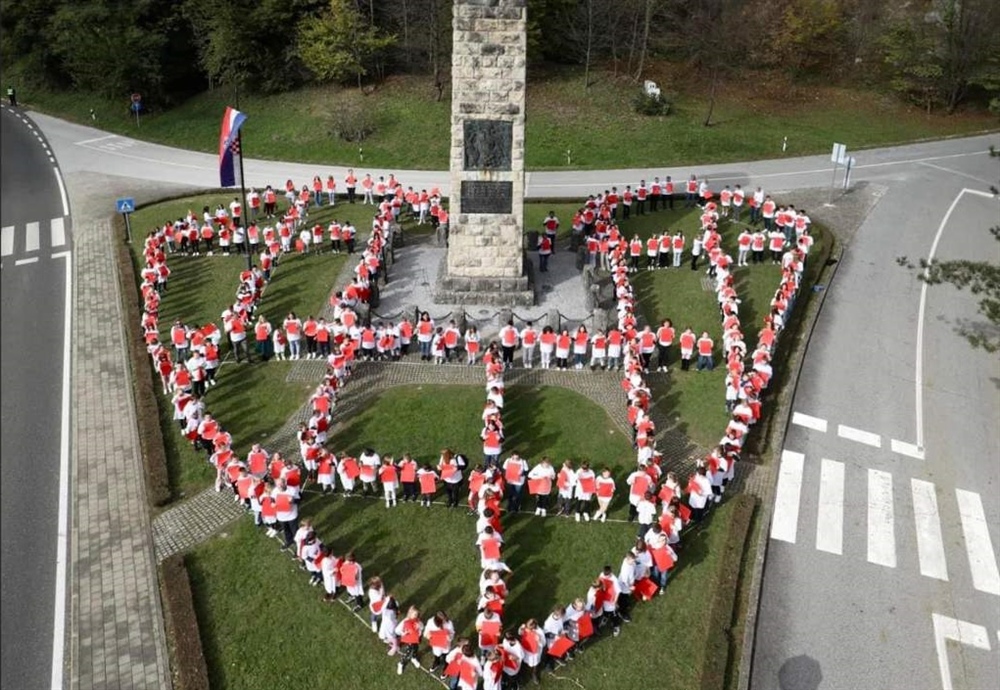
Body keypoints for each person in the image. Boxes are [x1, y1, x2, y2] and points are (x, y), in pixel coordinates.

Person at [395, 606, 424, 674]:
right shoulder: (405, 622)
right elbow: (397, 630)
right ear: (410, 614)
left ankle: (413, 658)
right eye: (415, 615)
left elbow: (422, 627)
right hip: (409, 641)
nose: (416, 616)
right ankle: (401, 664)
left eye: (417, 615)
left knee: (415, 649)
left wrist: (419, 626)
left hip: (416, 640)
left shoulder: (417, 621)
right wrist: (404, 633)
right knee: (407, 653)